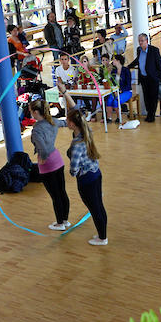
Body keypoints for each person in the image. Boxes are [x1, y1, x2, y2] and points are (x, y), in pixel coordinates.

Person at [57, 81, 108, 246]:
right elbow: (74, 110)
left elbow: (73, 170)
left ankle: (102, 238)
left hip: (86, 180)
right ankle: (102, 235)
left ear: (72, 124)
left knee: (94, 208)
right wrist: (64, 92)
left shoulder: (78, 146)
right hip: (96, 174)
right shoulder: (86, 130)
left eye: (67, 119)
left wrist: (71, 164)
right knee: (98, 205)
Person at [29, 98, 71, 231]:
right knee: (62, 192)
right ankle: (65, 220)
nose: (30, 113)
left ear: (36, 112)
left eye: (31, 111)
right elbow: (65, 123)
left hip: (48, 165)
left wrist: (42, 158)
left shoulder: (36, 130)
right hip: (58, 160)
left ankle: (60, 223)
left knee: (55, 195)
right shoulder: (52, 121)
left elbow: (43, 149)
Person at [126, 33, 161, 122]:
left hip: (153, 79)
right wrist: (128, 66)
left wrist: (156, 77)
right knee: (146, 97)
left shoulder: (154, 50)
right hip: (143, 78)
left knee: (153, 97)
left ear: (147, 41)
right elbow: (137, 60)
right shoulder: (139, 50)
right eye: (139, 41)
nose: (140, 42)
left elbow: (160, 65)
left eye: (142, 41)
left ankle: (151, 115)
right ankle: (148, 113)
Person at [105, 54, 131, 124]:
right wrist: (108, 72)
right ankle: (109, 118)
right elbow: (109, 81)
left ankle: (119, 118)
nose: (112, 61)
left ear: (118, 61)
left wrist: (120, 91)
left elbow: (128, 85)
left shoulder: (126, 70)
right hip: (115, 91)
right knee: (109, 99)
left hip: (126, 91)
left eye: (113, 60)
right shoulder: (114, 71)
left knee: (116, 100)